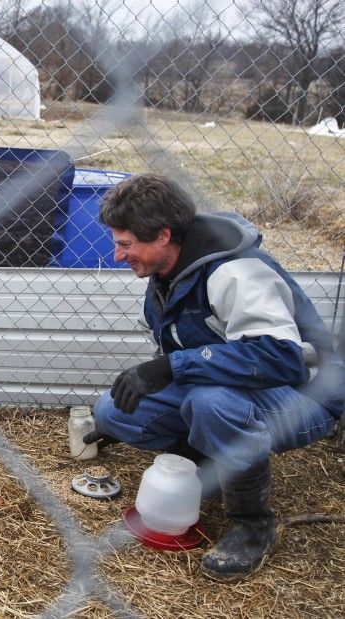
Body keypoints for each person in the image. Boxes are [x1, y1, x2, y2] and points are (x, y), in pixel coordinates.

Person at [83, 173, 344, 581]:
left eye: (125, 244)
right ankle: (212, 463)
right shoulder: (165, 279)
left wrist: (172, 367)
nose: (117, 256)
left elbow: (284, 359)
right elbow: (178, 358)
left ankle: (254, 526)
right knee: (113, 410)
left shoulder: (236, 272)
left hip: (304, 396)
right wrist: (144, 401)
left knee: (211, 402)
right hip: (237, 389)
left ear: (164, 235)